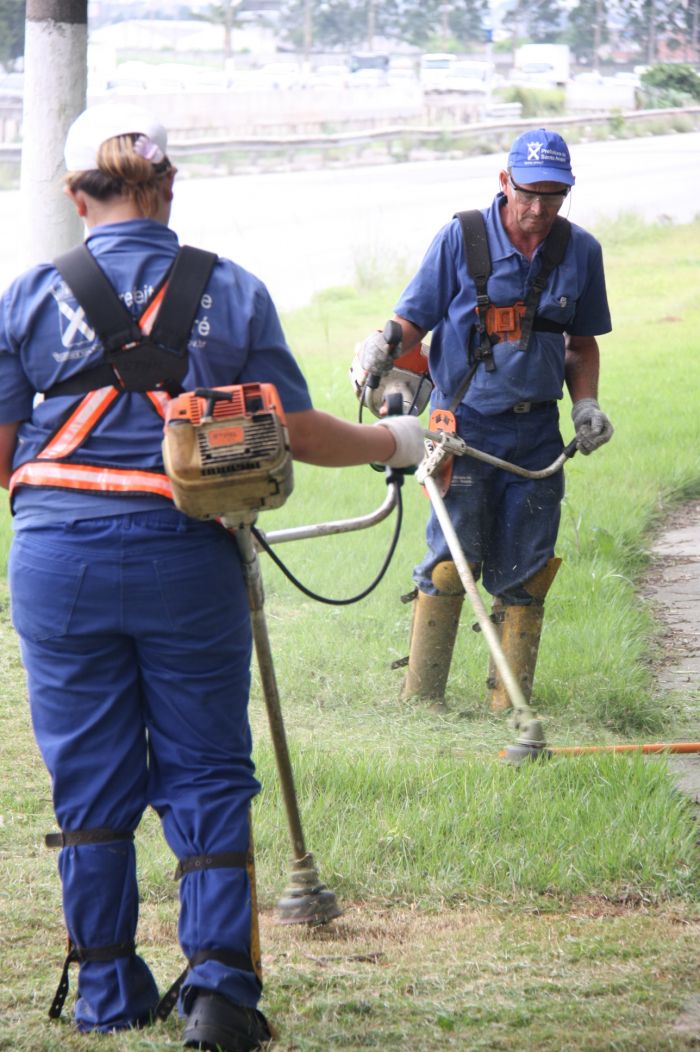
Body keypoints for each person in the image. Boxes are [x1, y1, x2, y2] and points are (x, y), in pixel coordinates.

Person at [0, 103, 424, 1051]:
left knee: (89, 779)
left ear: (75, 196)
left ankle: (106, 991)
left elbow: (2, 455)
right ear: (169, 186)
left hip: (58, 564)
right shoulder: (229, 290)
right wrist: (393, 441)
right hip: (185, 560)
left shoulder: (25, 297)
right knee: (207, 771)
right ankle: (222, 994)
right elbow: (295, 431)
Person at [355, 128, 614, 711]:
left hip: (537, 434)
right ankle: (423, 698)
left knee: (528, 568)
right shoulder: (462, 238)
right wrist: (381, 345)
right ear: (504, 182)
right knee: (452, 561)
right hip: (464, 427)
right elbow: (412, 322)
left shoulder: (581, 251)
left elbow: (580, 346)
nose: (539, 208)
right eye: (528, 193)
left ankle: (509, 703)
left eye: (553, 195)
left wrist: (586, 404)